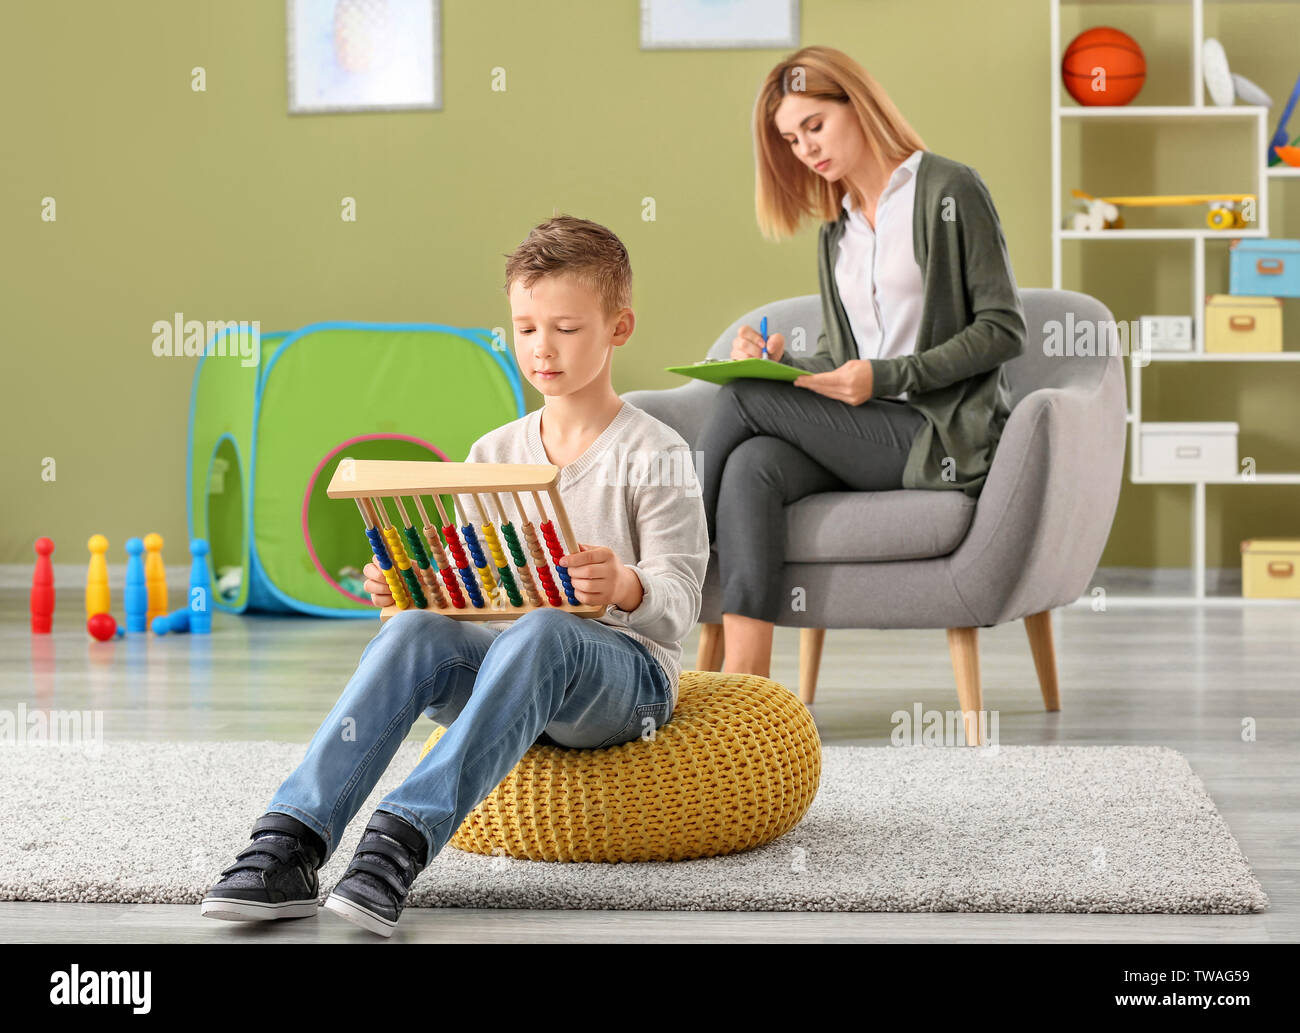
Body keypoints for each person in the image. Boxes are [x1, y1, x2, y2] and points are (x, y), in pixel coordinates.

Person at [201, 215, 710, 936]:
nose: (542, 348)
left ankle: (397, 846)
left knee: (545, 627)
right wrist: (413, 590)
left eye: (565, 327)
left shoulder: (656, 451)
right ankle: (289, 840)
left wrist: (625, 585)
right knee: (414, 628)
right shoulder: (493, 451)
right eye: (525, 328)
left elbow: (681, 602)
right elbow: (475, 596)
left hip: (626, 682)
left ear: (619, 328)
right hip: (513, 660)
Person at [698, 45, 1026, 678]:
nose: (806, 150)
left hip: (936, 436)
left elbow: (1003, 329)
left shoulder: (948, 190)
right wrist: (785, 360)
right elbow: (852, 355)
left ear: (859, 104)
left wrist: (888, 377)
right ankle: (749, 695)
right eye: (791, 140)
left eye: (814, 126)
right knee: (751, 465)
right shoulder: (837, 231)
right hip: (866, 429)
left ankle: (656, 552)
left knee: (741, 398)